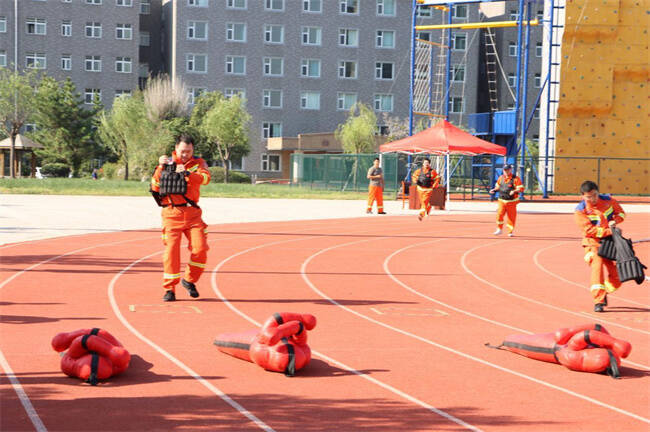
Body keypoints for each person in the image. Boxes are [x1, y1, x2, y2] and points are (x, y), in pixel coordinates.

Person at [150, 134, 211, 302]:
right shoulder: (167, 163)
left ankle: (189, 280)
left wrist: (187, 173)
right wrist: (161, 167)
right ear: (176, 149)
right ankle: (170, 289)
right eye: (183, 151)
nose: (185, 155)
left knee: (200, 249)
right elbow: (155, 185)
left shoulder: (198, 163)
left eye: (189, 151)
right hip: (172, 214)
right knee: (171, 252)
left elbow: (205, 179)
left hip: (193, 215)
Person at [574, 180, 625, 312]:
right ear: (582, 196)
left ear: (598, 192)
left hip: (610, 242)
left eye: (595, 195)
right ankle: (599, 301)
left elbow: (621, 213)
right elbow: (589, 231)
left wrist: (616, 220)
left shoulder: (609, 201)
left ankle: (604, 292)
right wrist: (609, 230)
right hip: (592, 243)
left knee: (618, 275)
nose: (592, 199)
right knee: (597, 265)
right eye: (588, 197)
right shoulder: (580, 211)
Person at [489, 164, 524, 236]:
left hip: (511, 202)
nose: (506, 171)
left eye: (508, 170)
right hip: (502, 200)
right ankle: (499, 229)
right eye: (505, 170)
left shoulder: (515, 179)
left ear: (510, 170)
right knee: (499, 214)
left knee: (511, 217)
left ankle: (510, 231)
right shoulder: (500, 178)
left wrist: (514, 191)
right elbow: (498, 187)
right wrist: (494, 190)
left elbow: (520, 188)